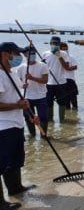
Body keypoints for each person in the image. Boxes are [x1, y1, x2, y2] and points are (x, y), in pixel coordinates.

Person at [0, 42, 38, 209]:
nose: (18, 58)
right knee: (2, 162)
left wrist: (29, 113)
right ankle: (0, 203)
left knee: (16, 159)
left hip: (16, 123)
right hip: (3, 127)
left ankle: (16, 188)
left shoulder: (11, 73)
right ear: (5, 54)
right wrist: (18, 106)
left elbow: (18, 99)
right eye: (16, 54)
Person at [16, 45, 49, 136]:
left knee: (43, 117)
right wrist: (23, 85)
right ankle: (32, 135)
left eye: (34, 53)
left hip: (41, 96)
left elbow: (45, 81)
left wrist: (32, 78)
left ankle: (44, 135)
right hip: (27, 97)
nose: (32, 55)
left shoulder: (43, 66)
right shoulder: (20, 68)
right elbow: (18, 83)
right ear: (25, 55)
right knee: (28, 118)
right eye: (30, 53)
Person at [42, 36, 70, 123]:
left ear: (59, 44)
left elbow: (66, 67)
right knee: (49, 104)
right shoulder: (45, 54)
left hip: (61, 82)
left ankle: (62, 121)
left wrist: (59, 56)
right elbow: (42, 69)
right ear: (50, 43)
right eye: (53, 43)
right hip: (48, 84)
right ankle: (50, 123)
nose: (55, 45)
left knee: (62, 103)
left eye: (57, 43)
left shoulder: (64, 54)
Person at [60, 42, 78, 110]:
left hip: (70, 79)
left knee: (73, 98)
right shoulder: (57, 58)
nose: (65, 51)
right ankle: (68, 113)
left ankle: (75, 112)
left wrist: (67, 68)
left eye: (66, 49)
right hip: (61, 81)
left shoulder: (71, 57)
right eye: (63, 50)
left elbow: (75, 67)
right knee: (65, 99)